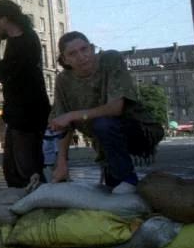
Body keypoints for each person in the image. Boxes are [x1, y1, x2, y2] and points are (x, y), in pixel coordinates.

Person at [48, 31, 162, 193]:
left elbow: (116, 108)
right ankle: (119, 176)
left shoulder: (110, 60)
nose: (81, 56)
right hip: (104, 143)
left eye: (84, 49)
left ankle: (128, 178)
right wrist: (62, 164)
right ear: (65, 59)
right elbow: (62, 126)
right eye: (72, 54)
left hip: (138, 129)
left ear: (92, 48)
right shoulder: (63, 81)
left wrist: (72, 115)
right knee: (113, 188)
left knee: (103, 123)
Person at [0, 0, 51, 188]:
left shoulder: (24, 42)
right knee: (13, 169)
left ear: (4, 19)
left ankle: (38, 203)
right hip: (21, 112)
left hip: (26, 113)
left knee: (26, 169)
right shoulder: (23, 39)